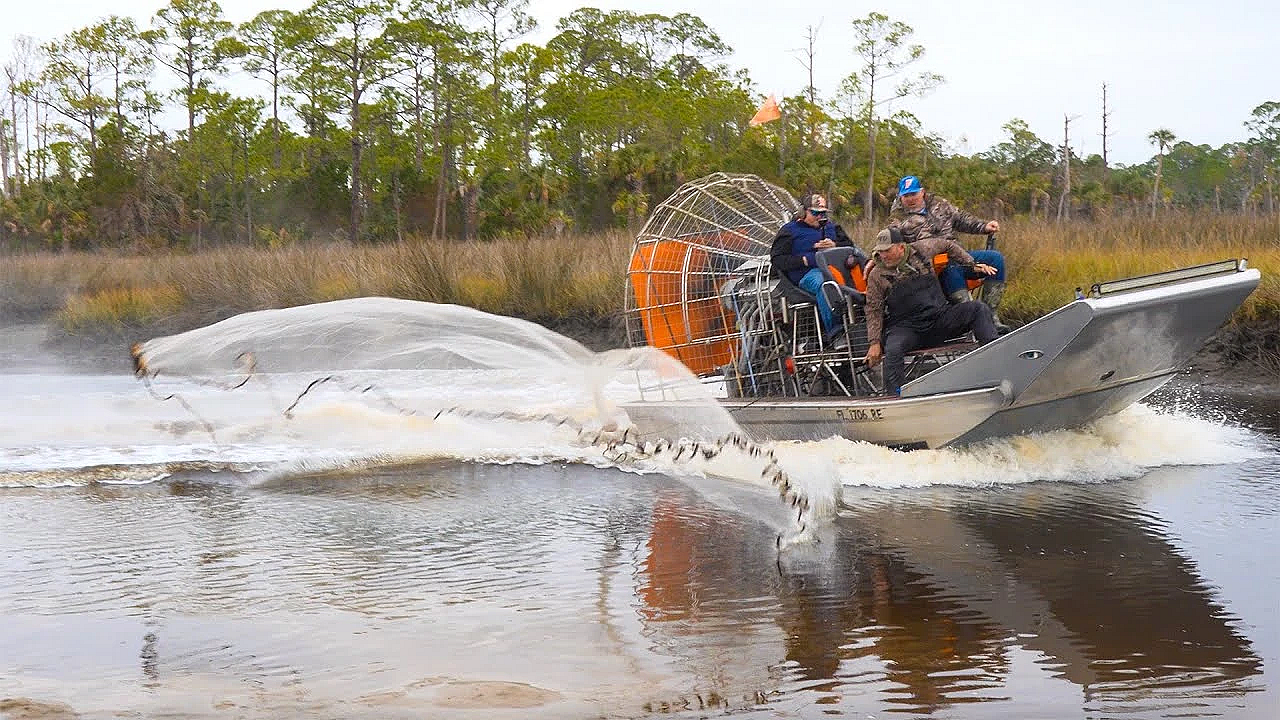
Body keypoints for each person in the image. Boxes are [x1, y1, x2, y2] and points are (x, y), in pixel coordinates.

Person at [864, 227, 999, 396]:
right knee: (893, 349)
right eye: (880, 252)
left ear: (900, 247)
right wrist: (874, 342)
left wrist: (971, 264)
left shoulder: (923, 249)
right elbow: (873, 309)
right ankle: (895, 396)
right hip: (907, 329)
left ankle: (995, 361)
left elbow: (948, 245)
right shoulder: (876, 275)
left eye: (887, 251)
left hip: (939, 319)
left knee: (978, 308)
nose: (883, 256)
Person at [890, 175, 1010, 331]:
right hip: (932, 269)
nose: (910, 199)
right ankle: (973, 321)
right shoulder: (897, 220)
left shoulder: (940, 205)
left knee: (996, 259)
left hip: (960, 256)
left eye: (913, 194)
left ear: (922, 192)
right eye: (906, 196)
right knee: (951, 268)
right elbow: (891, 246)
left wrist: (985, 226)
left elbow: (961, 219)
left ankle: (991, 317)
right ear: (901, 197)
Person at [770, 194, 856, 346]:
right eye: (815, 213)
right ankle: (836, 333)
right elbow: (778, 259)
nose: (820, 217)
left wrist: (834, 246)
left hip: (836, 269)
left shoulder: (832, 227)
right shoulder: (789, 231)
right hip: (807, 274)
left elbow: (850, 247)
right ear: (803, 212)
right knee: (827, 285)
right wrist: (807, 258)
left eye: (823, 213)